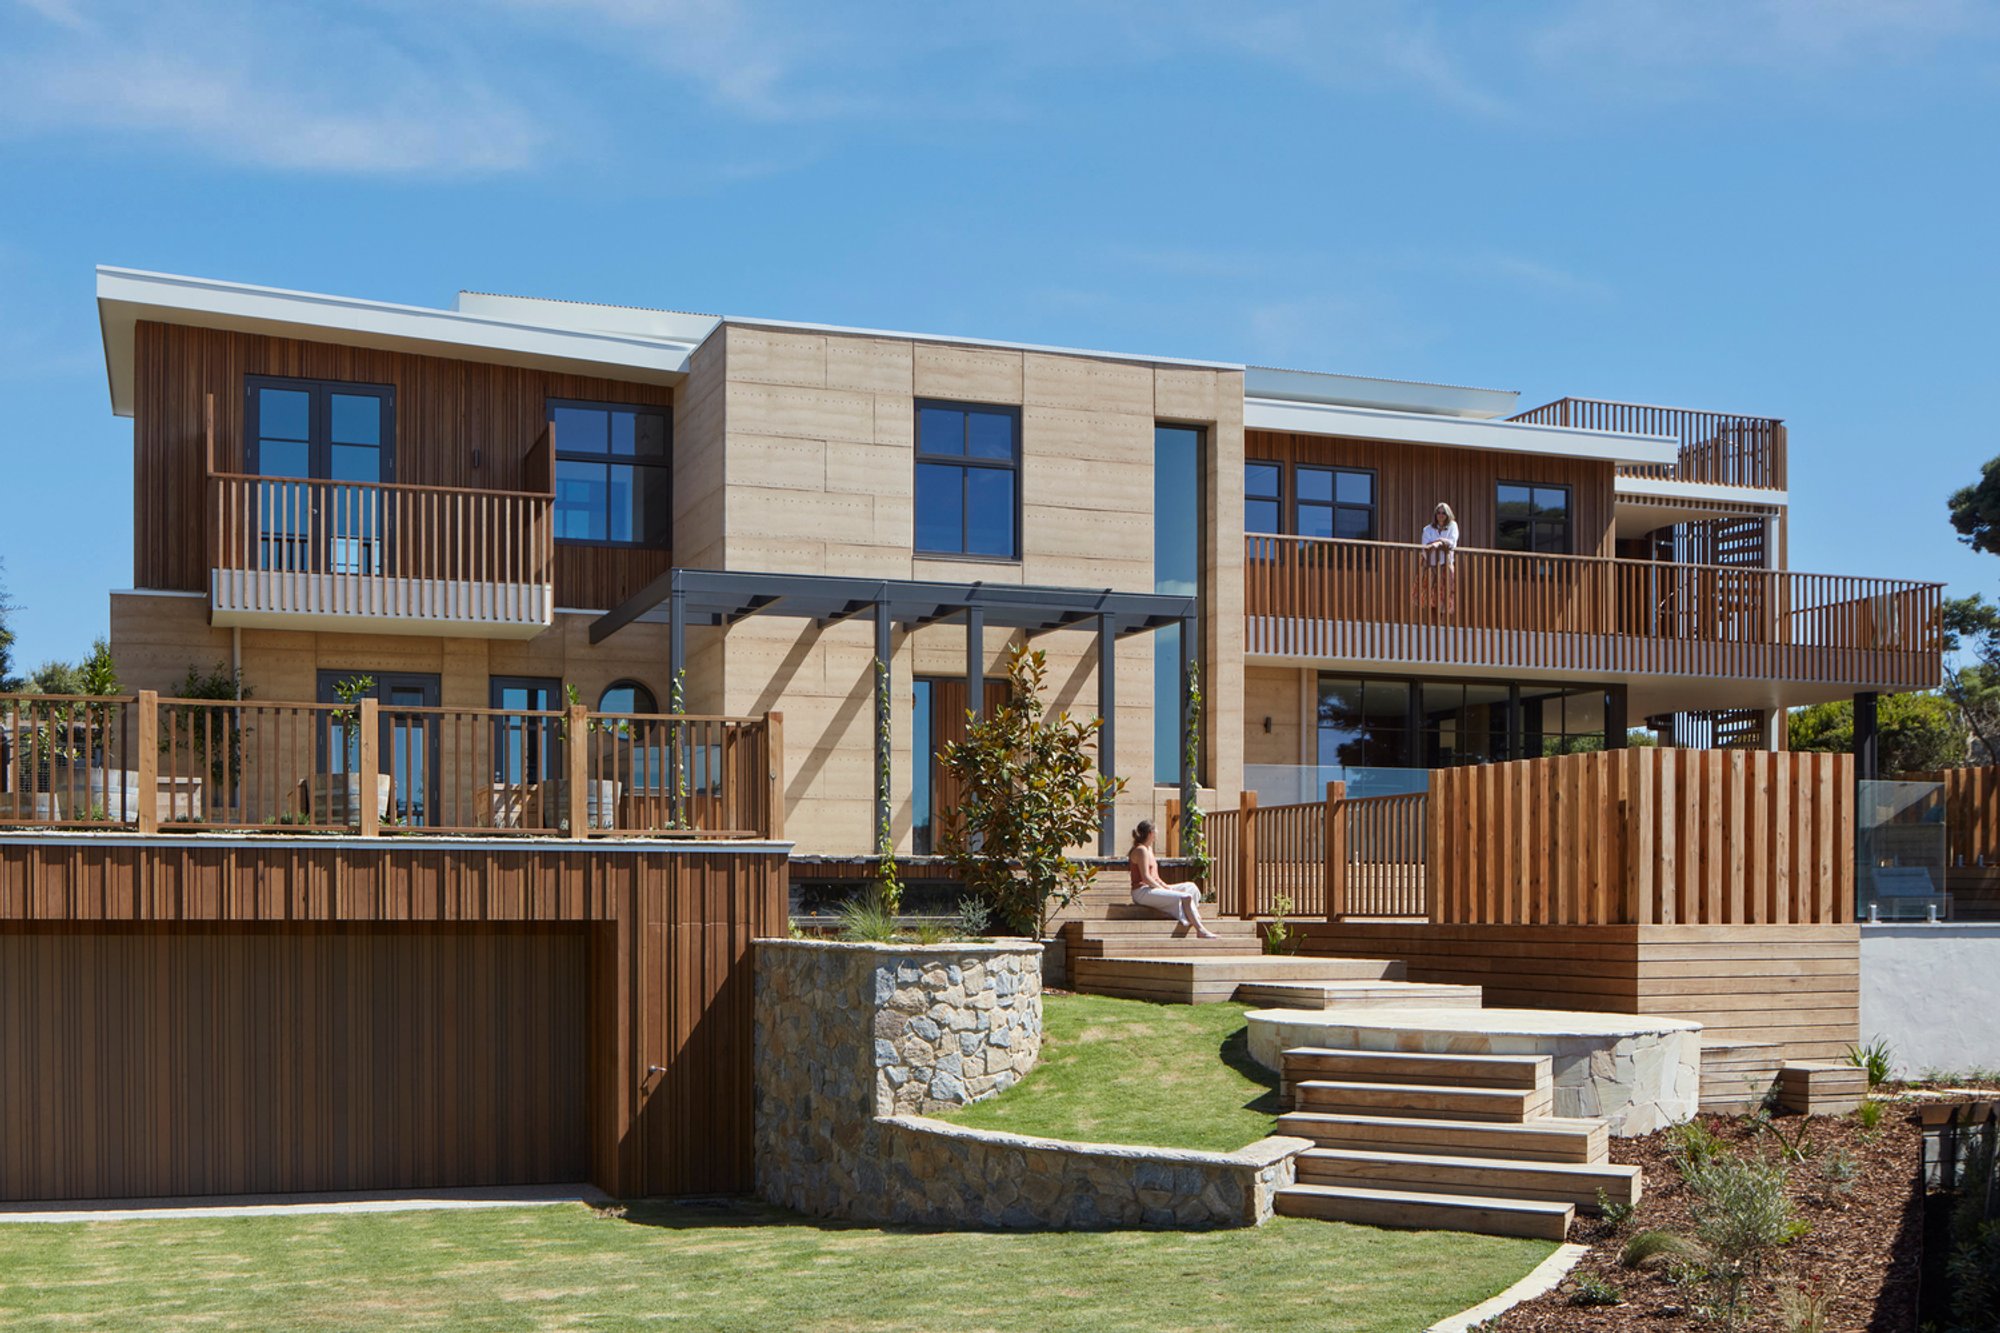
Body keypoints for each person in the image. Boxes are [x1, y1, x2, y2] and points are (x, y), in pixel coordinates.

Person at [1128, 820, 1218, 937]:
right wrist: (1165, 890)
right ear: (1150, 833)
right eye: (1156, 830)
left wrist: (1165, 887)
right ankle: (1200, 929)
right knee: (1186, 896)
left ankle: (1188, 916)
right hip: (1141, 892)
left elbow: (1155, 877)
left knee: (1191, 887)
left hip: (1152, 888)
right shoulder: (1141, 850)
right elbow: (1146, 878)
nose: (1157, 833)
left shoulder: (1149, 849)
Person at [1415, 501, 1459, 614]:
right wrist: (1440, 544)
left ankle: (1440, 625)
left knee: (1445, 596)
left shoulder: (1452, 526)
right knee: (1429, 596)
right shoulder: (1428, 529)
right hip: (1429, 565)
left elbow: (1452, 544)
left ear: (1448, 514)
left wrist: (1438, 542)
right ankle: (1432, 625)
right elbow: (1425, 548)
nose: (1441, 515)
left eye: (1443, 513)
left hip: (1446, 565)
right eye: (1438, 512)